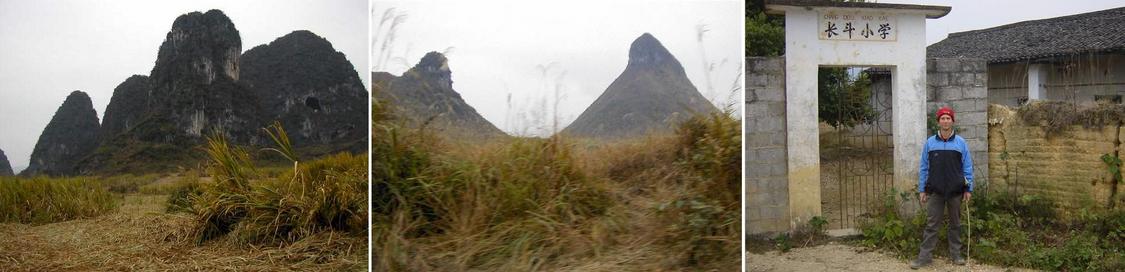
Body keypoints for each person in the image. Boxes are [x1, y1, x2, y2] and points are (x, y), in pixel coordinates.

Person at [910, 106, 973, 269]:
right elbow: (924, 167)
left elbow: (967, 167)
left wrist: (968, 189)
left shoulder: (961, 143)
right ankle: (924, 258)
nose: (945, 121)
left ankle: (956, 255)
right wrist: (923, 189)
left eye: (948, 118)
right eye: (942, 118)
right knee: (931, 225)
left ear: (952, 121)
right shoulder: (930, 143)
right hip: (935, 191)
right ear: (938, 122)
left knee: (955, 224)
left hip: (955, 191)